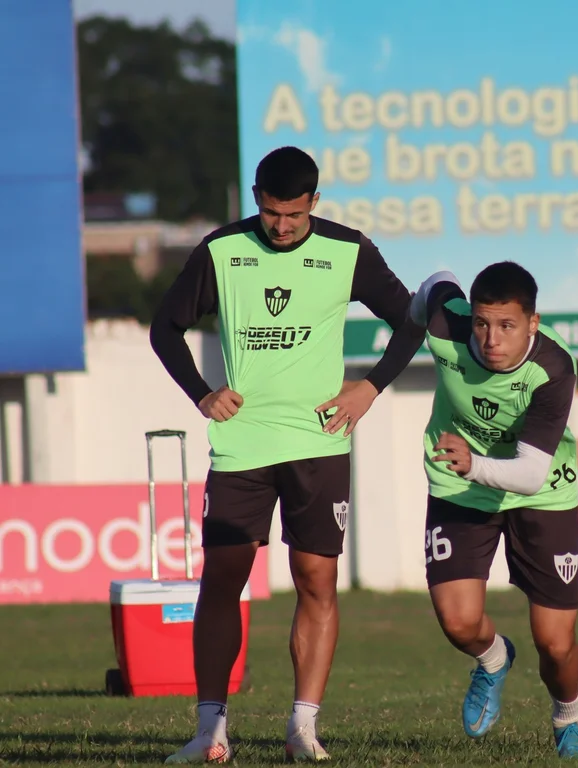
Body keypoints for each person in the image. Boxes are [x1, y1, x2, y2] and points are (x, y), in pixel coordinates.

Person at [150, 146, 424, 764]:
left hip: (318, 444)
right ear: (256, 199)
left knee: (317, 580)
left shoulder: (348, 251)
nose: (281, 226)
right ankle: (209, 730)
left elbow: (412, 319)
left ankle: (303, 728)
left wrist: (370, 387)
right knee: (223, 576)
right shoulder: (221, 251)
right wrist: (202, 392)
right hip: (242, 445)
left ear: (314, 205)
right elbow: (164, 327)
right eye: (271, 213)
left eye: (294, 216)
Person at [402, 261, 578, 759]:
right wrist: (406, 329)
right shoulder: (447, 320)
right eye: (483, 323)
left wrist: (473, 464)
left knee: (555, 643)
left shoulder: (553, 368)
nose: (491, 339)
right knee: (459, 623)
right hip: (458, 485)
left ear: (532, 323)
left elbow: (530, 473)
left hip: (541, 492)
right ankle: (493, 659)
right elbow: (433, 283)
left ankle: (568, 718)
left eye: (507, 325)